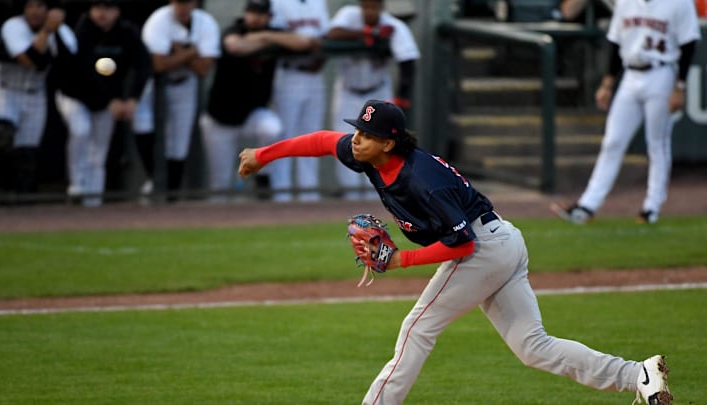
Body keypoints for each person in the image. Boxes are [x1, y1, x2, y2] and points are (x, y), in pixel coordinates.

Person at [238, 99, 673, 405]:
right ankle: (638, 374)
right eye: (358, 129)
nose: (356, 139)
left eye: (366, 134)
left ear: (388, 143)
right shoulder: (367, 155)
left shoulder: (424, 180)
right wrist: (263, 155)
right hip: (501, 242)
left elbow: (461, 244)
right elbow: (319, 140)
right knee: (532, 346)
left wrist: (399, 260)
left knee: (417, 328)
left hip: (483, 248)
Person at [551, 0, 701, 225]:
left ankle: (652, 207)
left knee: (657, 144)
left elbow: (689, 44)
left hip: (662, 73)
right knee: (612, 142)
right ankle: (587, 206)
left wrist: (679, 87)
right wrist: (608, 83)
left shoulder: (679, 2)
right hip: (631, 76)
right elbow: (615, 42)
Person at [199, 0, 318, 202]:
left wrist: (265, 36)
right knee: (219, 186)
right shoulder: (235, 29)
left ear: (269, 17)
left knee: (272, 129)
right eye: (252, 12)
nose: (256, 17)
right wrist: (270, 41)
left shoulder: (271, 32)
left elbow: (307, 43)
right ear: (245, 13)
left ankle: (263, 177)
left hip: (252, 114)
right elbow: (235, 46)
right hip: (220, 118)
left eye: (261, 13)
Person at [52, 0, 151, 207]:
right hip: (75, 95)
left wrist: (132, 98)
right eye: (97, 8)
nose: (102, 13)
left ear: (117, 10)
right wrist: (111, 100)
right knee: (80, 130)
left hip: (106, 100)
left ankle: (94, 201)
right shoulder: (81, 30)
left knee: (99, 150)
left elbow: (140, 66)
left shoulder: (127, 32)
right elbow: (84, 71)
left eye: (108, 8)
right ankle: (76, 185)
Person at [327, 0, 420, 200]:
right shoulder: (348, 15)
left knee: (379, 149)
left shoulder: (392, 25)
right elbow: (331, 34)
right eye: (366, 6)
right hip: (347, 91)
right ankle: (350, 200)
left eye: (374, 6)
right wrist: (367, 34)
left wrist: (402, 96)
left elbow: (408, 61)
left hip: (378, 91)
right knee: (346, 145)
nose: (369, 11)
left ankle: (378, 197)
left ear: (381, 7)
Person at [0, 0, 76, 195]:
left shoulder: (63, 31)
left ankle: (24, 206)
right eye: (31, 6)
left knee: (27, 154)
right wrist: (46, 32)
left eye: (41, 6)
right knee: (1, 136)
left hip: (35, 93)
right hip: (5, 89)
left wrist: (53, 31)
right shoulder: (14, 25)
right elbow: (29, 60)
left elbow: (67, 61)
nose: (35, 11)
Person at [137, 0, 220, 202]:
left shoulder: (206, 22)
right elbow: (158, 65)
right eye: (178, 2)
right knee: (141, 123)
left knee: (179, 141)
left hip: (185, 83)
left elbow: (203, 70)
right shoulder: (158, 20)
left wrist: (180, 54)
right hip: (153, 85)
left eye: (187, 2)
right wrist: (193, 53)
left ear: (195, 3)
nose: (182, 7)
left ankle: (171, 196)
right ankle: (153, 177)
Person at [268, 0, 330, 202]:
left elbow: (326, 38)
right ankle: (281, 195)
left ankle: (309, 196)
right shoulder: (277, 3)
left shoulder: (318, 2)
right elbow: (278, 37)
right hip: (289, 73)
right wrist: (305, 43)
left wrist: (319, 58)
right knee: (285, 138)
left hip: (314, 75)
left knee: (313, 138)